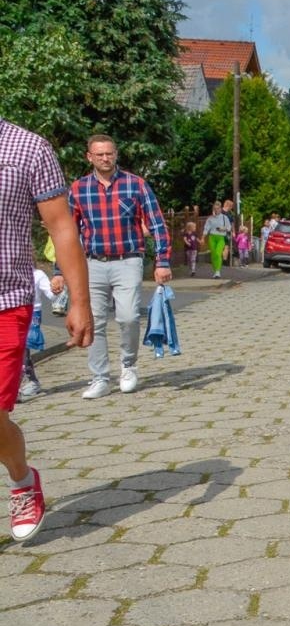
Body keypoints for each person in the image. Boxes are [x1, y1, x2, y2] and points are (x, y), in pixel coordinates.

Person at [2, 117, 92, 540]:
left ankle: (21, 479)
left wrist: (79, 301)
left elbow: (61, 226)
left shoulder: (29, 148)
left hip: (5, 300)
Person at [68, 135, 172, 399]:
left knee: (128, 317)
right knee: (95, 322)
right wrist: (61, 271)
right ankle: (100, 377)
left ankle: (128, 366)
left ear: (116, 155)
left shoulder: (135, 185)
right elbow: (67, 233)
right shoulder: (79, 189)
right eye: (99, 154)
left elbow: (157, 223)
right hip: (92, 263)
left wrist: (162, 261)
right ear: (89, 157)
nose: (105, 158)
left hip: (128, 260)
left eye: (109, 153)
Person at [16, 268, 55, 402]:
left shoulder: (37, 274)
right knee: (15, 350)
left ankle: (28, 383)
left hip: (31, 314)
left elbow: (51, 294)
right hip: (10, 311)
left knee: (23, 348)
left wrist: (57, 289)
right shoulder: (8, 272)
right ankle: (28, 381)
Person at [202, 202, 230, 279]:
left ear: (220, 209)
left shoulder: (225, 217)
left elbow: (229, 228)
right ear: (213, 209)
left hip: (221, 237)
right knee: (213, 254)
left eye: (218, 208)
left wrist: (223, 229)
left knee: (218, 253)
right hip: (212, 237)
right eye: (215, 208)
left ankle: (218, 271)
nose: (216, 210)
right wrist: (203, 238)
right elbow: (206, 228)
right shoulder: (210, 218)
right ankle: (215, 271)